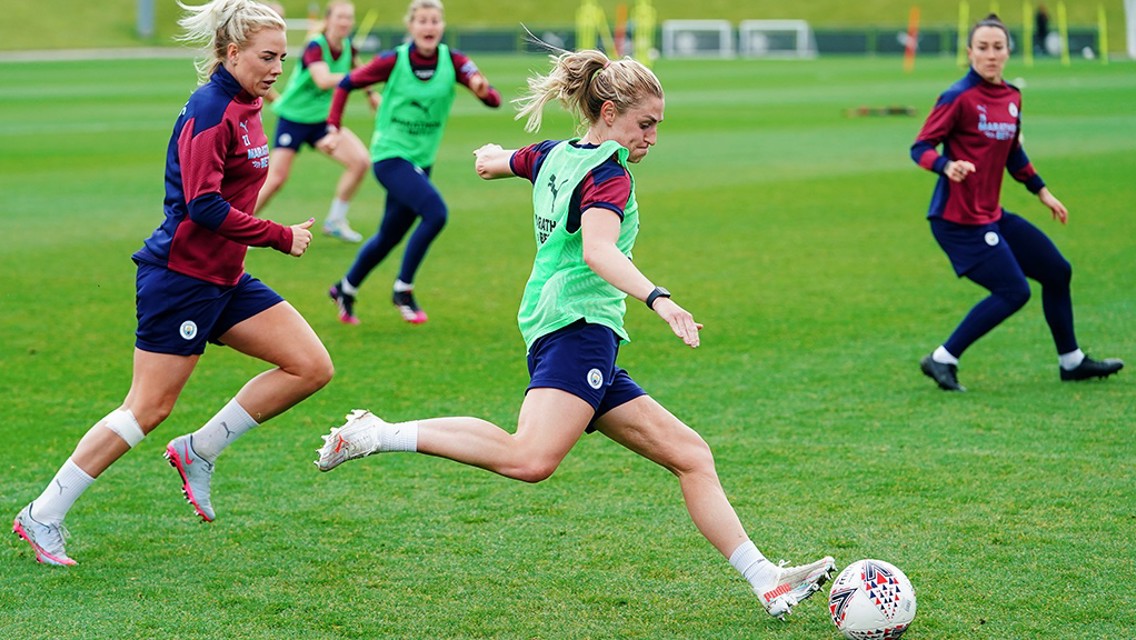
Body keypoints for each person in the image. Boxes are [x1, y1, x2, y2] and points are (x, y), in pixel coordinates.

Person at [314, 47, 835, 620]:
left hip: (571, 331)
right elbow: (597, 249)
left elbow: (505, 159)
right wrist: (659, 299)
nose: (652, 137)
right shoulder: (610, 177)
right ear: (609, 111)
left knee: (691, 455)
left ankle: (768, 581)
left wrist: (492, 158)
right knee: (530, 458)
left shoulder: (555, 154)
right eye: (646, 123)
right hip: (576, 329)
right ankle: (378, 433)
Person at [12, 0, 334, 566]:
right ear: (231, 52)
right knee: (146, 408)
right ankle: (42, 515)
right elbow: (203, 205)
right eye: (266, 56)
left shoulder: (248, 101)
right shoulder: (213, 111)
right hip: (181, 278)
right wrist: (279, 235)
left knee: (310, 366)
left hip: (224, 276)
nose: (277, 66)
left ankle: (200, 450)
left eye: (282, 56)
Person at [911, 14, 1123, 392]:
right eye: (983, 48)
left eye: (998, 47)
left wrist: (1043, 191)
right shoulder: (957, 97)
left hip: (990, 215)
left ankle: (1071, 362)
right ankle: (942, 359)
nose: (990, 55)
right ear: (969, 52)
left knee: (1057, 271)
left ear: (1008, 51)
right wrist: (947, 166)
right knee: (1014, 291)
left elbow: (1012, 154)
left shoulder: (1012, 97)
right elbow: (920, 147)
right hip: (957, 220)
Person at [324, 0, 502, 325]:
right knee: (436, 213)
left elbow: (493, 99)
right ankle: (403, 289)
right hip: (390, 156)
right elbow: (347, 84)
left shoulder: (456, 61)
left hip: (422, 161)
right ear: (411, 26)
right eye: (422, 21)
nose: (429, 27)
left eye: (434, 21)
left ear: (442, 26)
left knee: (389, 235)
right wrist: (333, 127)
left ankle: (345, 288)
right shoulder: (393, 60)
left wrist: (481, 90)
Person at [255, 0, 378, 243]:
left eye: (349, 18)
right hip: (294, 118)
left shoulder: (347, 47)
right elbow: (322, 80)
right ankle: (237, 231)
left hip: (322, 121)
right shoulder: (315, 46)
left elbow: (357, 66)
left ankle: (335, 221)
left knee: (361, 161)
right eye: (340, 17)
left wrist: (371, 94)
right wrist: (361, 77)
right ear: (329, 19)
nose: (345, 22)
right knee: (276, 179)